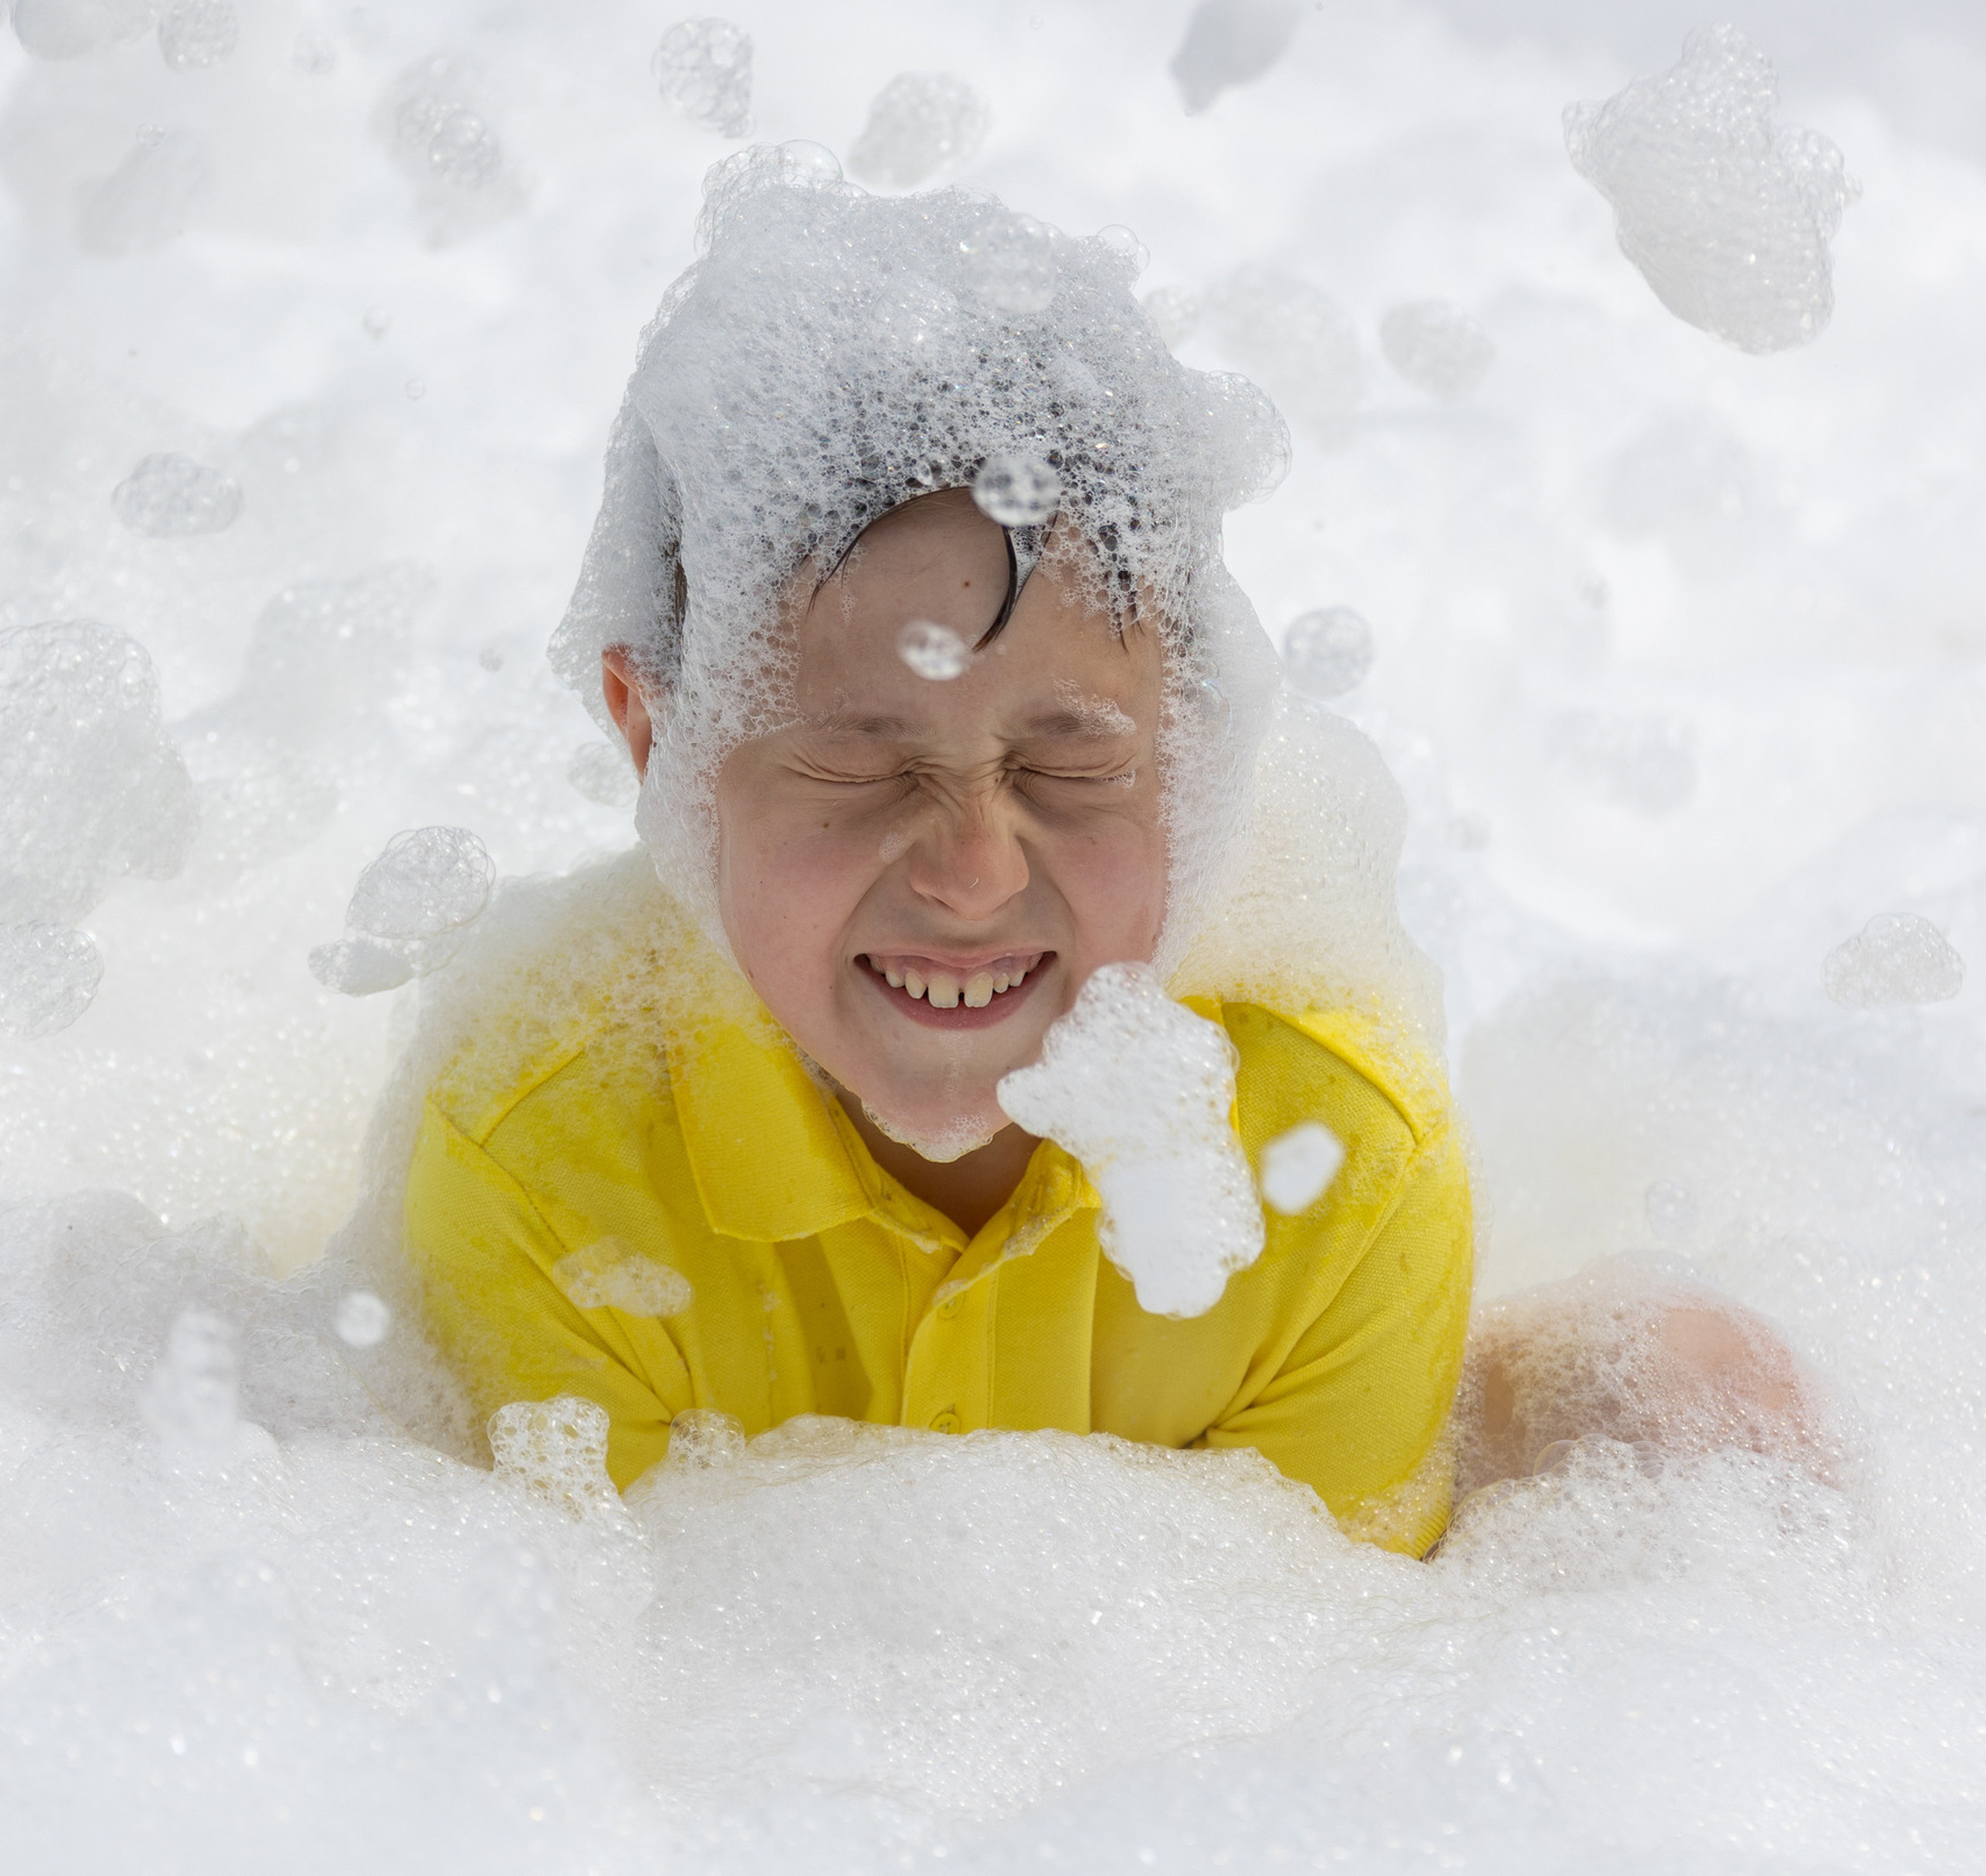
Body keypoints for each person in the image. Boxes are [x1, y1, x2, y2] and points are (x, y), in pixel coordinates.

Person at [397, 146, 1810, 1558]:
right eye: (858, 764)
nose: (973, 872)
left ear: (1188, 752)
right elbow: (619, 1698)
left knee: (1699, 1400)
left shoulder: (1326, 1165)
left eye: (1068, 767)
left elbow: (1321, 1703)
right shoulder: (549, 1168)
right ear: (660, 743)